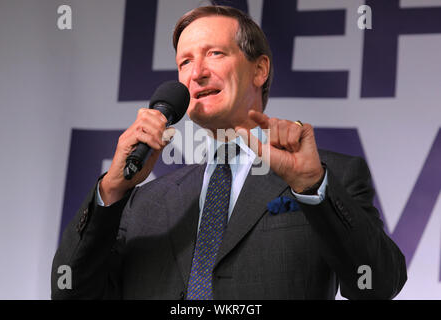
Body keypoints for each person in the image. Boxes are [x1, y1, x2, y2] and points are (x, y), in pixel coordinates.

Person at [52, 5, 407, 300]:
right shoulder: (142, 203)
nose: (197, 73)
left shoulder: (324, 177)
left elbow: (378, 284)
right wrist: (112, 189)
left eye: (215, 54)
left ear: (259, 69)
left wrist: (312, 186)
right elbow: (70, 292)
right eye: (185, 62)